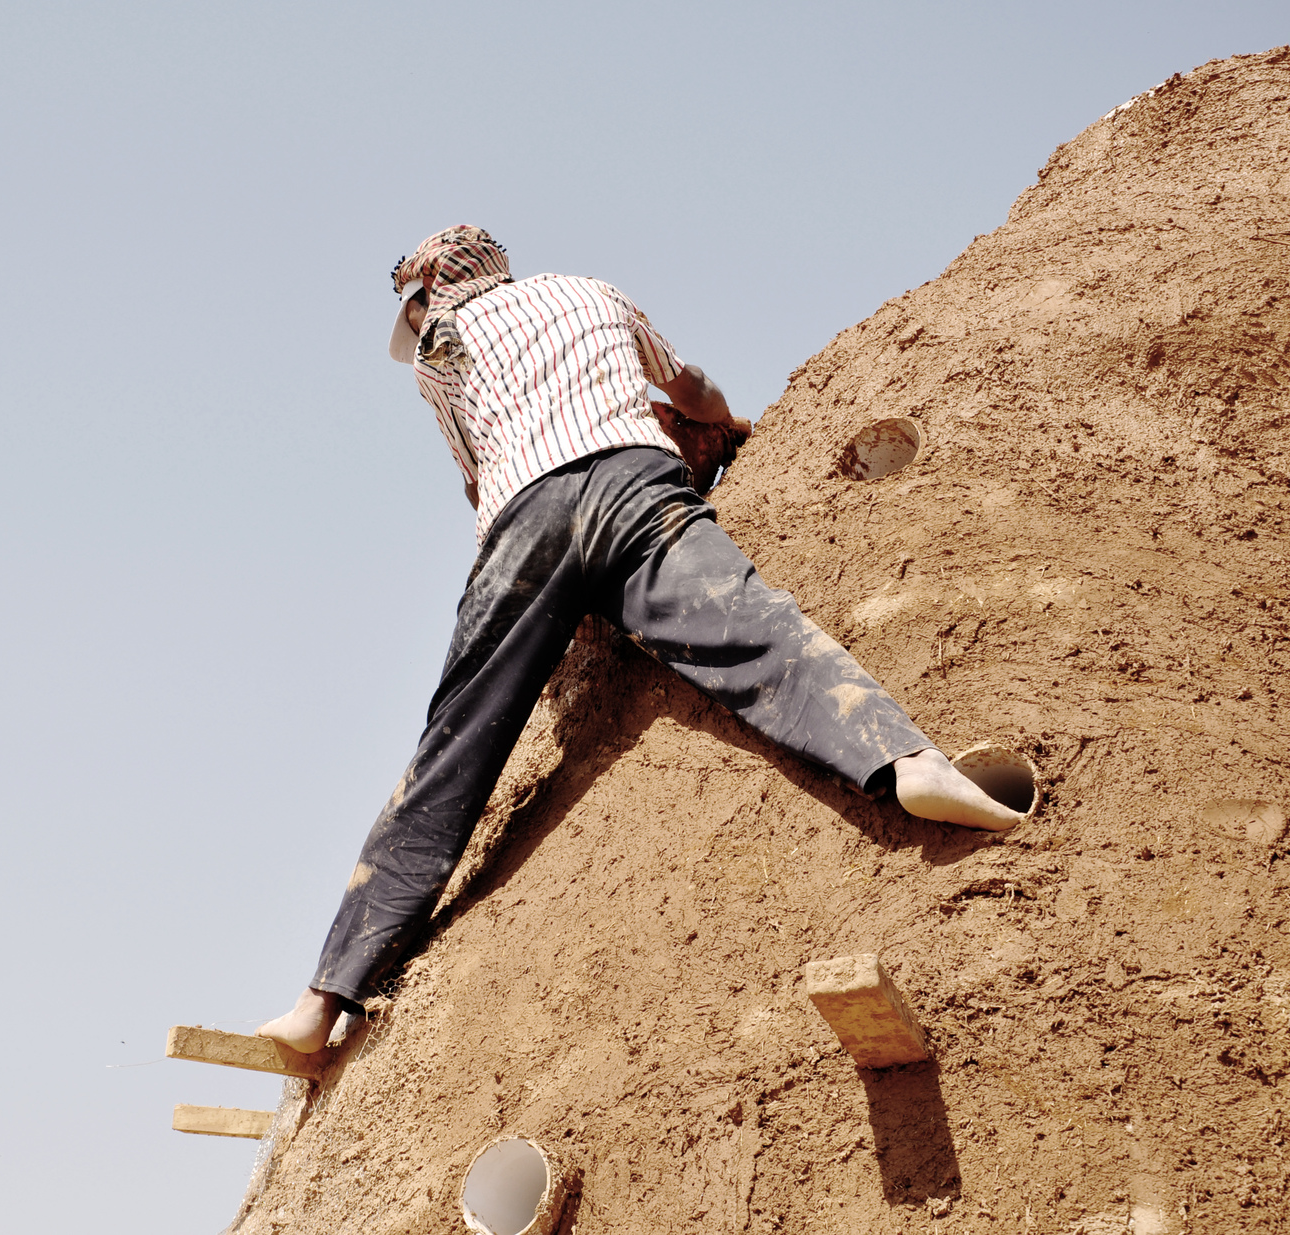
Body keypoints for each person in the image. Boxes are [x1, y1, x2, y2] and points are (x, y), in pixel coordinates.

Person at [256, 226, 1020, 1055]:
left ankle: (322, 999)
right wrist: (725, 423)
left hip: (527, 521)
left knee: (454, 744)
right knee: (759, 628)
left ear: (428, 297)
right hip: (637, 481)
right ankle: (910, 763)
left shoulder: (443, 355)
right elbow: (688, 389)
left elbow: (480, 484)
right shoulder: (592, 290)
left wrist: (536, 604)